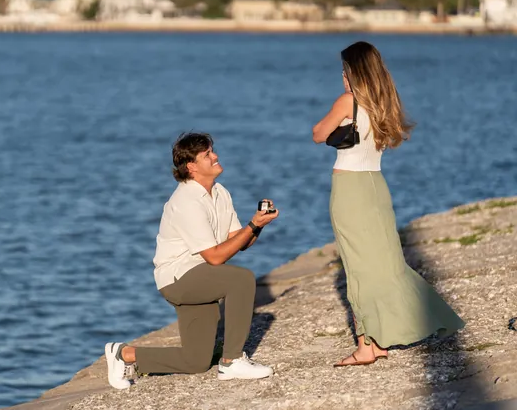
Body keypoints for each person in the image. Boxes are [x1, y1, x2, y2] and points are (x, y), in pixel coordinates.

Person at [312, 40, 465, 367]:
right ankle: (387, 334)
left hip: (350, 188)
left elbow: (317, 133)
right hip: (376, 187)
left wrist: (343, 102)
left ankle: (366, 346)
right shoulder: (384, 103)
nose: (342, 76)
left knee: (357, 266)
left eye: (345, 70)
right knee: (386, 263)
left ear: (352, 72)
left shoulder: (348, 101)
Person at [104, 132, 279, 389]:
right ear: (192, 167)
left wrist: (258, 224)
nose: (215, 156)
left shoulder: (220, 193)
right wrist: (253, 224)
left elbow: (239, 242)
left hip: (202, 275)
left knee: (195, 361)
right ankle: (231, 362)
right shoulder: (186, 201)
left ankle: (124, 355)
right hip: (177, 278)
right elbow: (216, 257)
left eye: (213, 151)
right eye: (207, 154)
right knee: (241, 279)